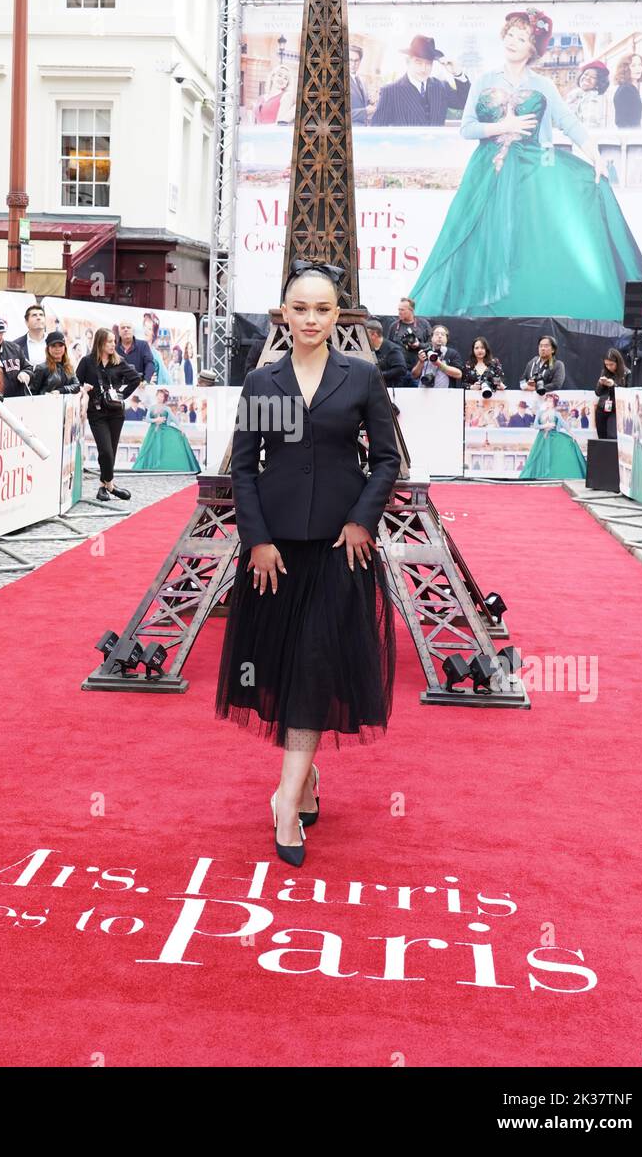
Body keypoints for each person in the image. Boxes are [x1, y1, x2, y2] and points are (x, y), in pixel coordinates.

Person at [216, 260, 399, 867]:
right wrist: (258, 539)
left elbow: (386, 461)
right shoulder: (264, 384)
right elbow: (245, 468)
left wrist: (361, 521)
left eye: (323, 309)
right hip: (277, 552)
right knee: (286, 672)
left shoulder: (361, 378)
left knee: (318, 665)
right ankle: (308, 776)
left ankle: (287, 799)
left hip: (340, 549)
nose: (312, 319)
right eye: (301, 309)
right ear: (284, 313)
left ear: (337, 313)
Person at [410, 10, 642, 322]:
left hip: (529, 171)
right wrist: (504, 125)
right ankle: (469, 313)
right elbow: (467, 127)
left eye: (522, 38)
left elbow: (568, 122)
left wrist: (594, 155)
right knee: (471, 236)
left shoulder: (543, 85)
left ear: (532, 48)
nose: (513, 41)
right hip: (486, 171)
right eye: (511, 35)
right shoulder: (486, 79)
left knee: (522, 240)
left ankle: (517, 312)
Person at [77, 327, 142, 501]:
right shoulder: (87, 362)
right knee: (105, 450)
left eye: (115, 341)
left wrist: (122, 395)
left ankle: (102, 487)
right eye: (110, 341)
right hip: (96, 412)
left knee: (111, 451)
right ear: (100, 343)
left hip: (115, 412)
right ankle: (111, 485)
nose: (114, 344)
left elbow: (136, 378)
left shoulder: (119, 362)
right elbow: (76, 383)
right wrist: (84, 390)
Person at [372, 34, 470, 126]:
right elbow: (377, 131)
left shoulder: (441, 87)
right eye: (418, 63)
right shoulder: (390, 92)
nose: (424, 69)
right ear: (408, 62)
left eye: (428, 63)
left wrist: (458, 73)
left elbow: (465, 103)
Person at [132, 388, 201, 472]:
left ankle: (162, 466)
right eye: (159, 395)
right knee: (149, 448)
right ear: (156, 396)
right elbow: (147, 419)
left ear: (164, 398)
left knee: (162, 449)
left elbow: (174, 419)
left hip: (164, 431)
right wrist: (156, 420)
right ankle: (150, 466)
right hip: (153, 431)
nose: (160, 397)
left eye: (162, 396)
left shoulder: (166, 408)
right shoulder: (152, 407)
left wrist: (181, 428)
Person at [519, 395, 587, 480]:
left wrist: (572, 434)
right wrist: (545, 425)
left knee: (553, 457)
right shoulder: (540, 413)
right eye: (547, 401)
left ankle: (553, 475)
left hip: (554, 437)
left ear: (554, 403)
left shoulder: (556, 414)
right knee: (538, 457)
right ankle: (539, 475)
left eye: (550, 401)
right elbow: (536, 426)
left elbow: (564, 425)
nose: (548, 403)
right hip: (542, 438)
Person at [0, 312, 33, 397]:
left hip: (17, 400)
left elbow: (28, 367)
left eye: (1, 333)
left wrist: (26, 373)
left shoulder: (14, 348)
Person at [595, 347, 629, 440]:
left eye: (611, 364)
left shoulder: (626, 373)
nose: (609, 367)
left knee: (612, 437)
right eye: (606, 364)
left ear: (618, 362)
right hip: (602, 408)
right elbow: (597, 393)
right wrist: (601, 384)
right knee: (602, 438)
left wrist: (613, 385)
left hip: (616, 410)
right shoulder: (604, 372)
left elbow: (627, 394)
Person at [365, 319, 410, 388]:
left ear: (374, 334)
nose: (364, 337)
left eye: (366, 334)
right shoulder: (368, 348)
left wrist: (380, 375)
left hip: (392, 388)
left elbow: (401, 369)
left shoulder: (392, 349)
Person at [566, 60, 610, 128]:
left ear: (599, 82)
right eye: (585, 74)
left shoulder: (595, 99)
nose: (587, 78)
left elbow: (590, 125)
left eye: (593, 77)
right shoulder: (574, 95)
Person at [613, 52, 642, 129]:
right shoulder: (626, 90)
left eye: (640, 65)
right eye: (633, 65)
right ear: (625, 68)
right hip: (629, 137)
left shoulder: (631, 88)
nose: (638, 68)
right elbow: (621, 122)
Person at [12, 304, 48, 368]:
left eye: (41, 315)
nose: (38, 318)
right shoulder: (16, 345)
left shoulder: (54, 342)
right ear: (26, 322)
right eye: (34, 315)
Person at [349, 43, 375, 125]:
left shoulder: (361, 82)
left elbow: (363, 104)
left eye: (356, 60)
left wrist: (372, 102)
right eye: (350, 60)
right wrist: (365, 111)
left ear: (360, 61)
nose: (353, 64)